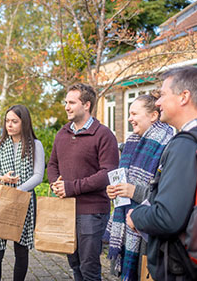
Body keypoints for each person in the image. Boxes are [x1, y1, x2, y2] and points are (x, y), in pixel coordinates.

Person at [127, 66, 197, 281]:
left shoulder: (185, 144)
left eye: (163, 95)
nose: (157, 102)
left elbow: (168, 217)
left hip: (180, 267)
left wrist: (136, 217)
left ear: (184, 97)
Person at [47, 83, 119, 281]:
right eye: (66, 102)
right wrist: (56, 183)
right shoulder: (62, 134)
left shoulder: (104, 135)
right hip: (66, 209)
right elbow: (52, 165)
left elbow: (108, 173)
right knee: (75, 263)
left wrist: (71, 187)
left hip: (92, 212)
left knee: (89, 267)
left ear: (86, 105)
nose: (66, 107)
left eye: (71, 102)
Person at [105, 93, 173, 280]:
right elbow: (123, 182)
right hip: (126, 224)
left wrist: (133, 191)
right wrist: (115, 190)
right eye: (129, 114)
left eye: (134, 114)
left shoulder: (168, 143)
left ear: (153, 115)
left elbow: (167, 193)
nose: (129, 118)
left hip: (147, 230)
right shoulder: (131, 142)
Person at [0, 104, 45, 281]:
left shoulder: (35, 145)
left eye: (14, 121)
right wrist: (3, 178)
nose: (9, 125)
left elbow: (38, 175)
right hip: (2, 200)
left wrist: (18, 191)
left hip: (24, 202)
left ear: (24, 123)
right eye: (7, 121)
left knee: (21, 251)